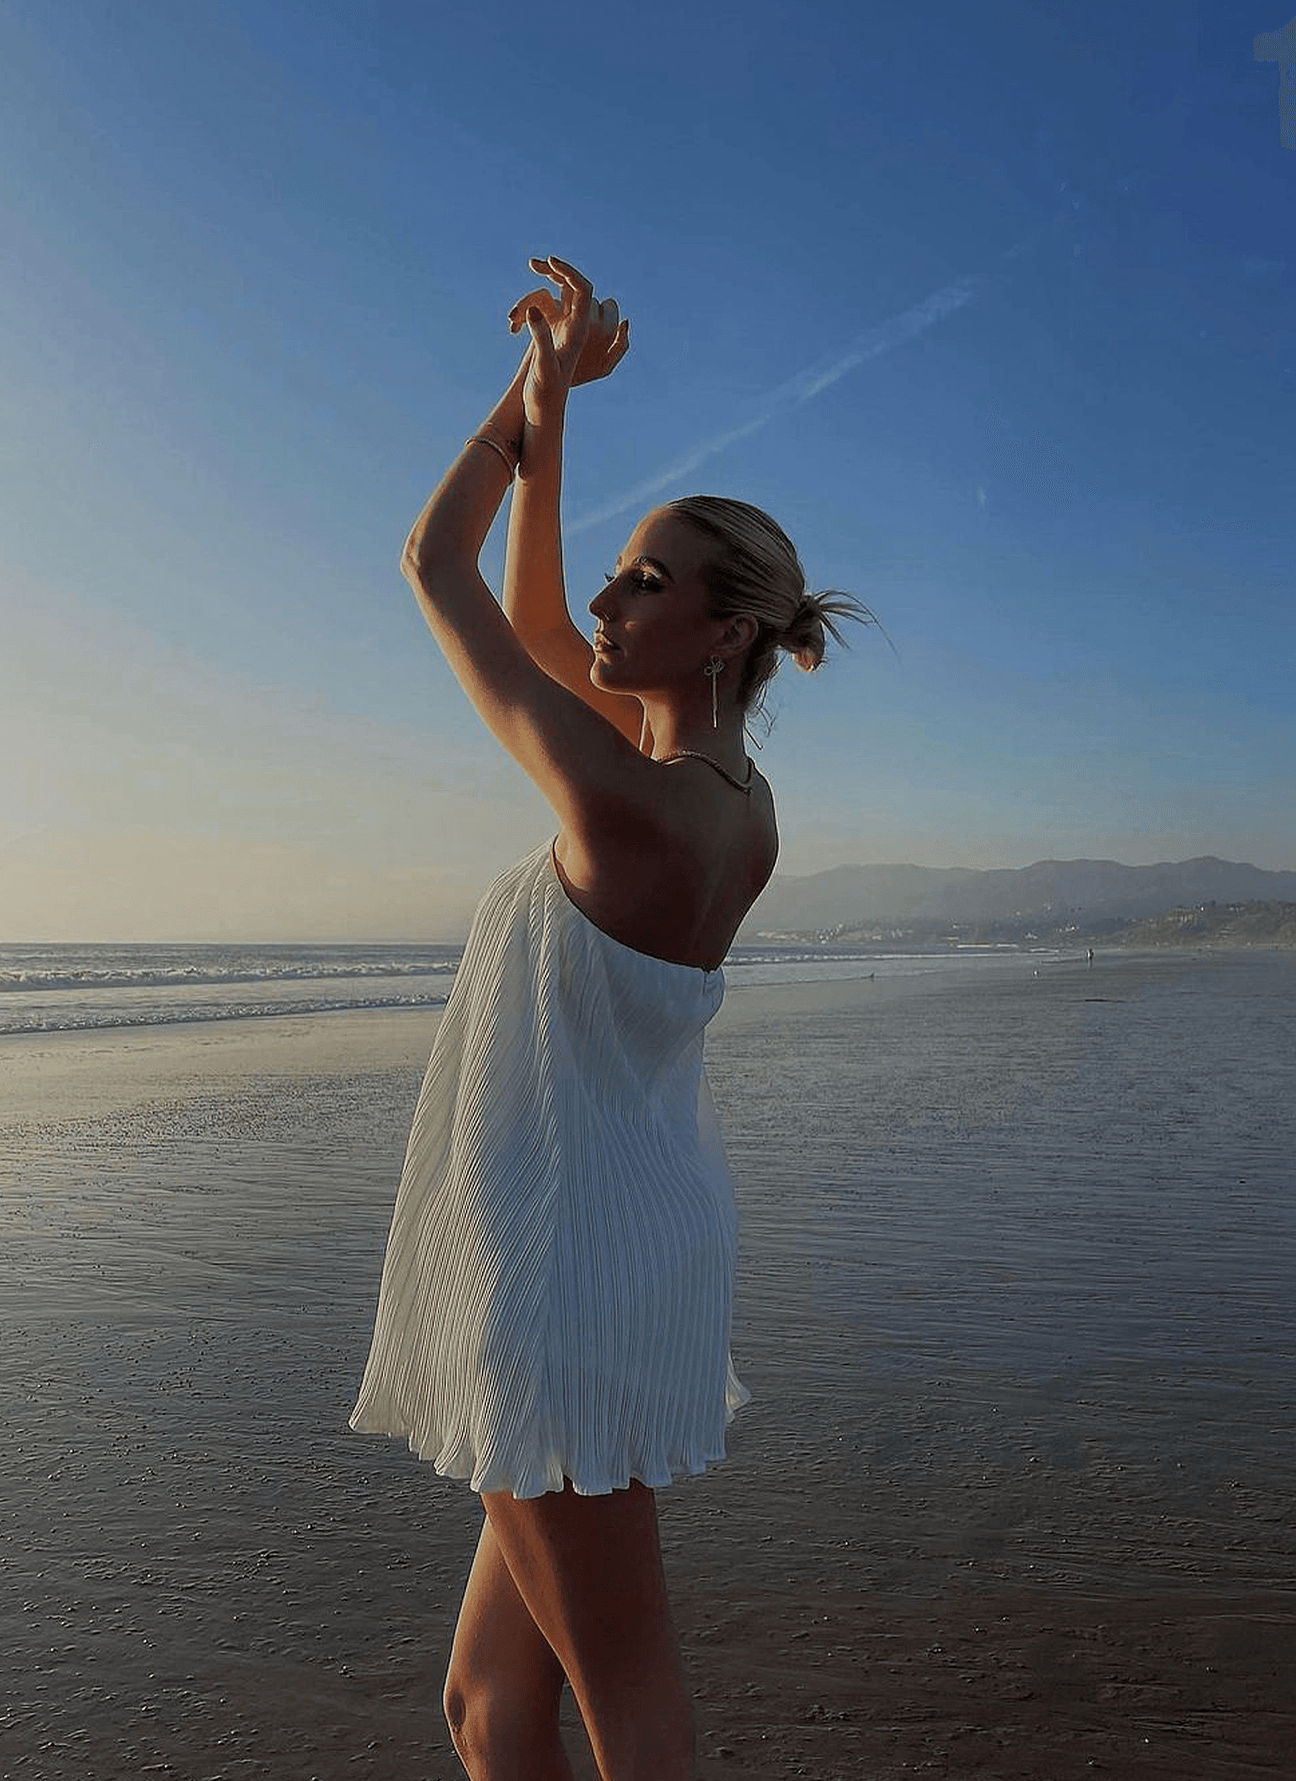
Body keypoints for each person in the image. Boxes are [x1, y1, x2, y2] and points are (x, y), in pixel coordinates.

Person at [350, 257, 868, 1781]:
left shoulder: (632, 805)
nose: (601, 596)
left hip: (560, 1273)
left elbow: (436, 569)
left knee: (628, 1705)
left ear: (726, 634)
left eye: (644, 581)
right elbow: (532, 610)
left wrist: (522, 408)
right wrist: (553, 402)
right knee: (487, 1698)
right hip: (624, 1245)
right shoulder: (727, 799)